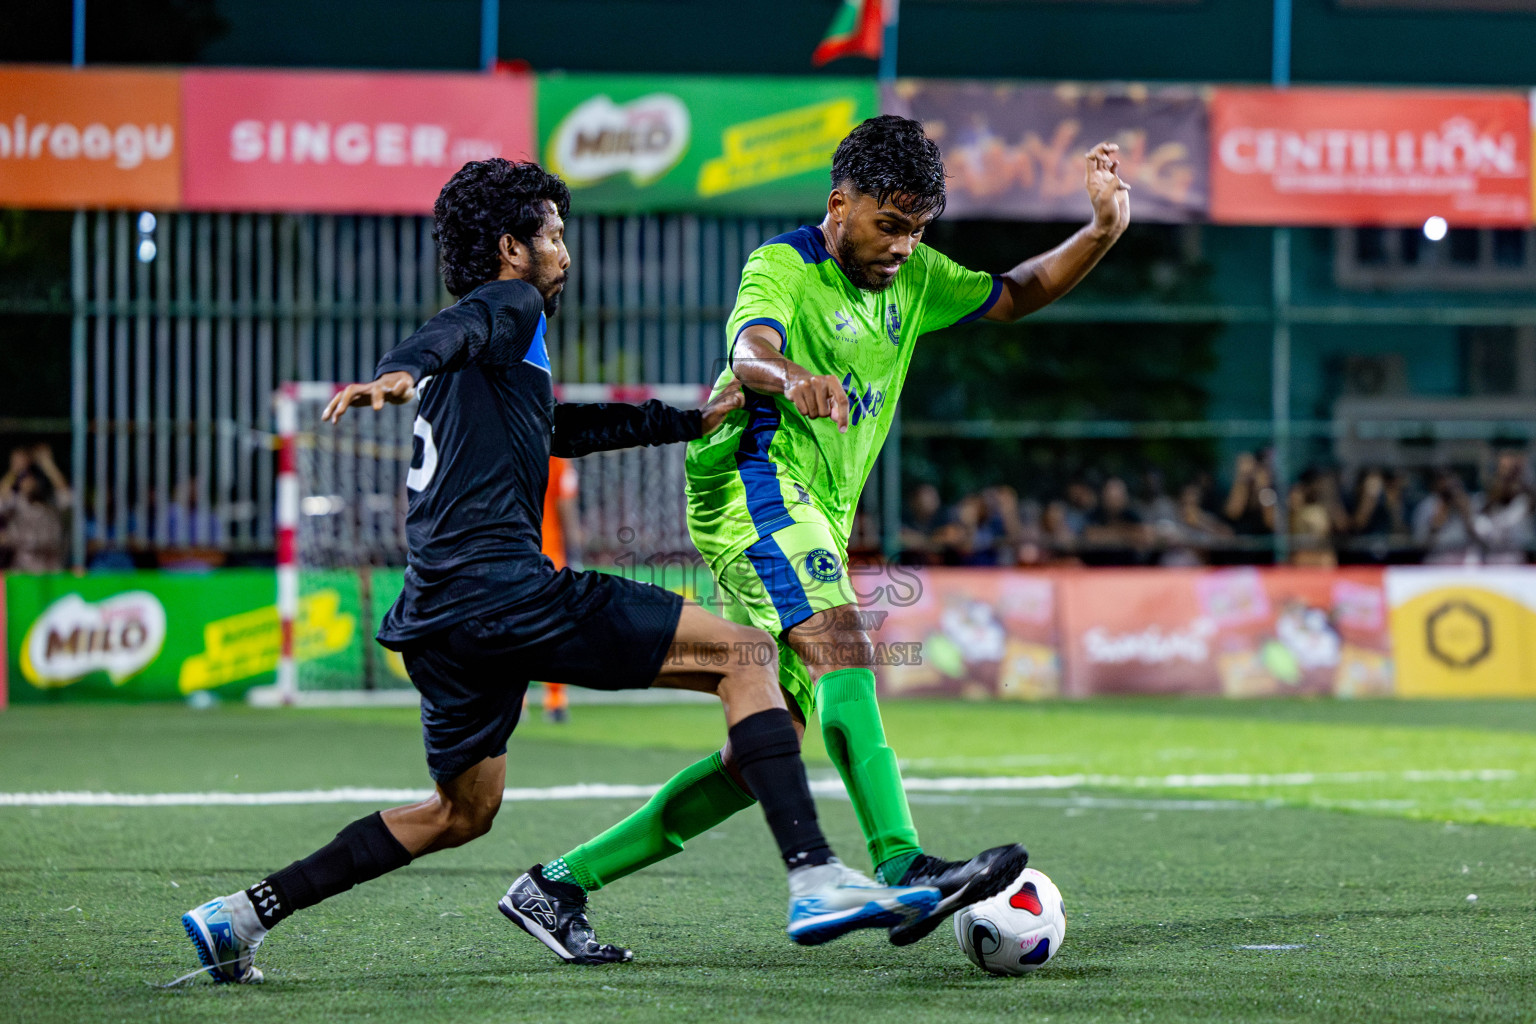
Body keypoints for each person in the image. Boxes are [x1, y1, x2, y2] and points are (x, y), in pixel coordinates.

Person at [179, 159, 938, 985]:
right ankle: (815, 874)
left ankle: (241, 916)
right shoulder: (507, 305)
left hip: (437, 618)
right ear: (513, 249)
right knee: (748, 656)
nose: (565, 253)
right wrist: (402, 366)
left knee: (460, 813)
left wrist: (685, 420)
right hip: (505, 592)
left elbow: (555, 427)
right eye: (553, 236)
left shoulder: (498, 362)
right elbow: (457, 327)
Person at [535, 115, 1127, 954]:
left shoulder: (915, 276)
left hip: (809, 507)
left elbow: (1016, 291)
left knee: (767, 740)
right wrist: (794, 377)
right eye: (889, 225)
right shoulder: (783, 264)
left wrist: (1102, 229)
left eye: (916, 229)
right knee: (844, 640)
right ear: (839, 202)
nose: (901, 246)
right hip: (754, 482)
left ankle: (558, 886)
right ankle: (901, 865)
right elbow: (750, 353)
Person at [537, 456, 579, 722]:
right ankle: (555, 699)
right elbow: (565, 503)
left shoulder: (505, 444)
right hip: (549, 557)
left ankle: (513, 702)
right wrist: (574, 553)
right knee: (550, 630)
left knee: (506, 626)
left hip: (510, 553)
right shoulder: (557, 458)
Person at [0, 444, 72, 572]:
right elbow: (2, 496)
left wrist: (47, 464)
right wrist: (15, 469)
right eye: (23, 478)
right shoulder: (18, 502)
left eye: (32, 477)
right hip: (22, 571)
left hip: (52, 571)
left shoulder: (51, 502)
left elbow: (65, 493)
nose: (28, 482)